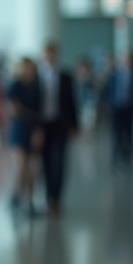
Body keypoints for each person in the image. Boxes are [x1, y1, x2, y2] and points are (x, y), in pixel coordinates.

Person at [38, 43, 78, 217]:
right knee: (45, 163)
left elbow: (72, 101)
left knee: (59, 162)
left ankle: (56, 198)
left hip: (60, 125)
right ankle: (48, 197)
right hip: (43, 126)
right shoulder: (38, 75)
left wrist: (74, 124)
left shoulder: (65, 75)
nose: (49, 57)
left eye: (52, 53)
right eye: (47, 53)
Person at [7, 57, 43, 215]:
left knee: (31, 169)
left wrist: (38, 130)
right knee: (21, 165)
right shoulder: (15, 85)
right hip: (19, 128)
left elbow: (38, 111)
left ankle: (29, 200)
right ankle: (16, 197)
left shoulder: (36, 86)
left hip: (32, 128)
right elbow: (13, 108)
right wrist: (24, 113)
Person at [106, 53, 133, 170]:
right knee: (116, 134)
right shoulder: (115, 74)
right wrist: (109, 103)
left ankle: (127, 157)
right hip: (117, 108)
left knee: (128, 133)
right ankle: (116, 158)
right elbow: (109, 89)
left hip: (129, 108)